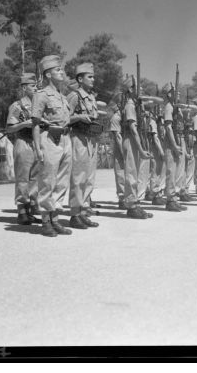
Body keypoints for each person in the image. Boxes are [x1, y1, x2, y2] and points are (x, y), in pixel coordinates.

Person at [31, 55, 72, 237]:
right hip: (48, 139)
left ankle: (55, 219)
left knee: (62, 181)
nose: (61, 72)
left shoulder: (63, 97)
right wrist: (38, 147)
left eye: (61, 69)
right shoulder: (41, 95)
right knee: (48, 181)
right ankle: (45, 221)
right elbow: (35, 123)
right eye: (57, 70)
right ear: (48, 74)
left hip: (65, 139)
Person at [67, 63, 102, 229]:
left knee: (89, 177)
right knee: (78, 177)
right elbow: (64, 118)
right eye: (90, 76)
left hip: (91, 139)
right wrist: (80, 116)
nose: (93, 79)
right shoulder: (74, 96)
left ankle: (84, 211)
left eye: (93, 76)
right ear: (80, 79)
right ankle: (74, 214)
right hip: (78, 139)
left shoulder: (91, 96)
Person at [6, 73, 41, 225]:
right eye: (32, 86)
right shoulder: (17, 106)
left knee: (34, 179)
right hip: (23, 142)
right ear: (24, 87)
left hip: (36, 143)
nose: (35, 88)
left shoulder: (39, 105)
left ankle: (31, 209)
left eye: (36, 86)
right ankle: (21, 211)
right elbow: (9, 128)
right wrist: (24, 124)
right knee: (23, 178)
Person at [122, 77, 153, 218]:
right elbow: (133, 129)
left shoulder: (137, 105)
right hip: (130, 139)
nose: (141, 89)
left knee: (137, 174)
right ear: (130, 89)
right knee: (131, 174)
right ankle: (131, 205)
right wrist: (140, 149)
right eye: (137, 87)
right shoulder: (130, 105)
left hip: (137, 140)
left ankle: (136, 203)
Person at [161, 83, 187, 212]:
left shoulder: (177, 108)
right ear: (169, 94)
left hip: (178, 139)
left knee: (178, 172)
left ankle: (175, 198)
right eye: (175, 91)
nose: (178, 93)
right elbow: (168, 127)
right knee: (171, 171)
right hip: (172, 143)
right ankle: (170, 200)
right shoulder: (168, 107)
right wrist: (175, 146)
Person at [108, 98, 126, 209]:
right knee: (120, 175)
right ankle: (122, 199)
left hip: (126, 148)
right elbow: (118, 137)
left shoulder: (124, 117)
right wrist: (124, 153)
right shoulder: (116, 118)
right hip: (120, 151)